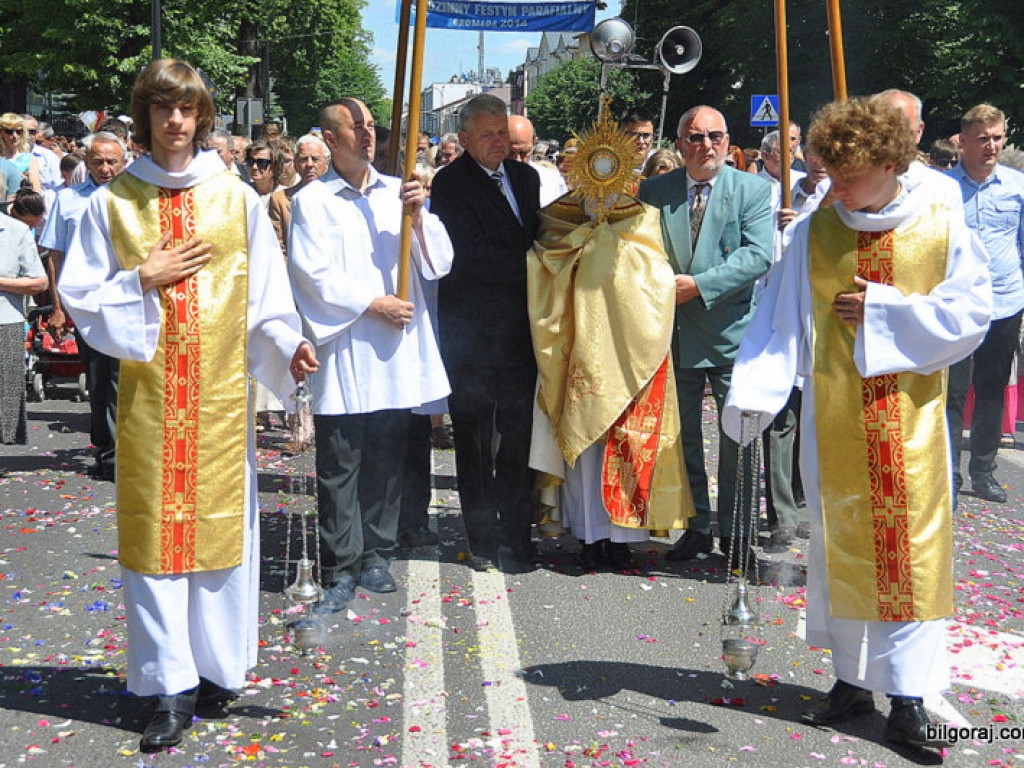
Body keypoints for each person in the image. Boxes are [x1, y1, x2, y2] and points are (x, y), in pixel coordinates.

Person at [58, 59, 318, 753]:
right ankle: (168, 686)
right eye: (162, 109)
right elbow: (80, 298)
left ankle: (216, 671)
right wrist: (142, 279)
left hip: (221, 405)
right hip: (149, 403)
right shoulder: (112, 204)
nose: (175, 122)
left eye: (187, 110)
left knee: (218, 540)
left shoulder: (234, 200)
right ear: (144, 116)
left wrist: (289, 342)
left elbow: (266, 298)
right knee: (156, 543)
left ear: (203, 117)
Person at [723, 96, 991, 749]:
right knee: (838, 542)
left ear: (890, 161)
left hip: (910, 417)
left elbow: (971, 314)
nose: (832, 188)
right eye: (830, 174)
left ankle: (909, 697)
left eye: (847, 177)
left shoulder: (940, 220)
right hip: (834, 416)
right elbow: (777, 316)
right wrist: (755, 391)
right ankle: (850, 680)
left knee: (910, 549)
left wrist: (888, 311)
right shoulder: (818, 229)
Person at [287, 98, 452, 611]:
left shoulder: (397, 194)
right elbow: (310, 273)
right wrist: (370, 302)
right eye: (354, 127)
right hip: (347, 344)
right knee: (341, 461)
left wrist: (420, 217)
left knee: (385, 457)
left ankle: (377, 553)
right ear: (331, 141)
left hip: (395, 347)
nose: (366, 133)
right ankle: (340, 563)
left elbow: (439, 263)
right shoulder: (314, 201)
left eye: (370, 126)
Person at [527, 111, 695, 570]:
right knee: (581, 446)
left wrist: (608, 255)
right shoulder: (561, 215)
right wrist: (584, 249)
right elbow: (543, 262)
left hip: (629, 351)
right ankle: (586, 537)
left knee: (623, 444)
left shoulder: (642, 217)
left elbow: (658, 275)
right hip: (577, 349)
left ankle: (620, 538)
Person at [637, 105, 773, 568]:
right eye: (695, 137)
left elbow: (758, 255)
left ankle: (738, 536)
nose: (706, 145)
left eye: (715, 136)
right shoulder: (655, 191)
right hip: (674, 335)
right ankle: (695, 528)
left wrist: (701, 285)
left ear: (728, 140)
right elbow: (638, 253)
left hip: (733, 334)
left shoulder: (751, 189)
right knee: (683, 440)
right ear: (679, 144)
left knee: (740, 439)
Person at [430, 93, 542, 573]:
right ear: (465, 139)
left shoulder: (526, 177)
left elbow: (541, 234)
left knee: (518, 438)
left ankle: (517, 536)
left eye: (504, 133)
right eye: (488, 135)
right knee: (475, 440)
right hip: (472, 332)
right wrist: (540, 268)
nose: (500, 143)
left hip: (521, 330)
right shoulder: (449, 183)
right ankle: (482, 539)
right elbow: (468, 254)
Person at [946, 103, 1024, 504]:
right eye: (983, 138)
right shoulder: (943, 189)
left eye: (997, 137)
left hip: (1005, 303)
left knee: (991, 392)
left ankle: (984, 472)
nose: (991, 146)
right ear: (963, 141)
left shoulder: (1017, 186)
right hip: (957, 306)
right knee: (953, 392)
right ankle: (950, 474)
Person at [39, 131, 129, 480]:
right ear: (86, 163)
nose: (105, 168)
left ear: (123, 162)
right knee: (98, 378)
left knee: (125, 377)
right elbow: (56, 256)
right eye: (98, 162)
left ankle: (120, 453)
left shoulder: (136, 199)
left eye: (112, 162)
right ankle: (105, 447)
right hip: (86, 303)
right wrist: (58, 307)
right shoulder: (69, 199)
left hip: (126, 299)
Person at [0, 207, 46, 444]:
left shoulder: (16, 231)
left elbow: (39, 282)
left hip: (5, 320)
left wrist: (1, 283)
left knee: (4, 395)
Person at [267, 133, 329, 256]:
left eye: (315, 159)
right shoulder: (280, 199)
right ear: (296, 164)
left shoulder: (339, 197)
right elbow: (277, 247)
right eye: (303, 159)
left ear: (326, 162)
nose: (309, 164)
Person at [508, 114, 567, 207]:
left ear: (534, 143)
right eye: (511, 153)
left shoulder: (553, 180)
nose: (518, 160)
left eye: (524, 153)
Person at [0, 113, 41, 192]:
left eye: (19, 131)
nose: (14, 136)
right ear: (1, 133)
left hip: (19, 202)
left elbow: (36, 191)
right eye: (9, 131)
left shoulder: (29, 159)